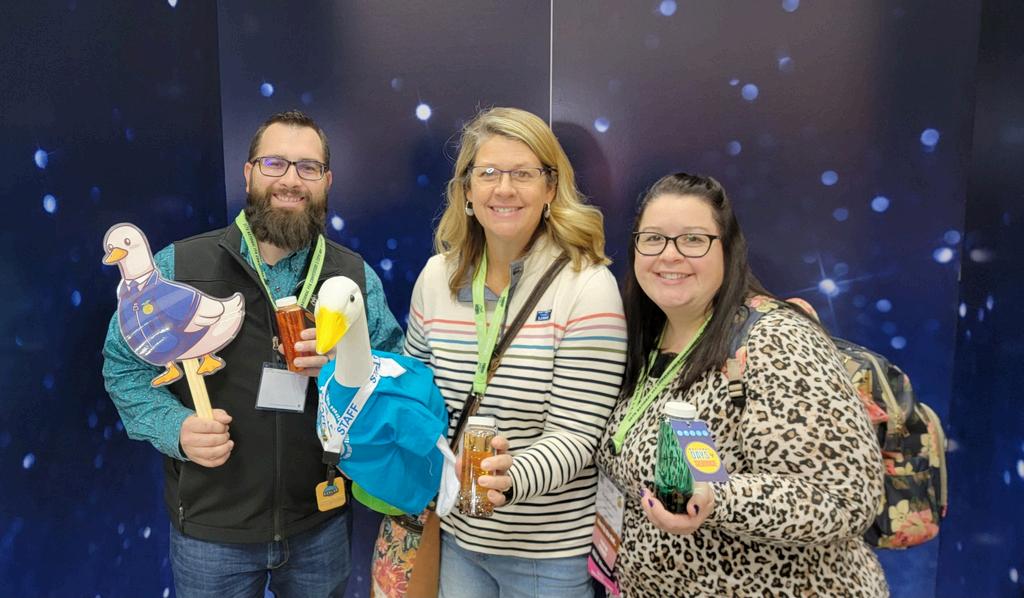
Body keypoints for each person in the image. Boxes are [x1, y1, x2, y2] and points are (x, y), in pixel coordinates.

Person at [102, 110, 404, 597]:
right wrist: (174, 428)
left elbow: (395, 377)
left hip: (320, 523)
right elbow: (123, 367)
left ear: (326, 182)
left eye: (308, 167)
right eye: (274, 163)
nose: (291, 180)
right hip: (211, 532)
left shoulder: (353, 277)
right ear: (248, 174)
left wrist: (343, 369)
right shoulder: (178, 266)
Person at [594, 172, 888, 596]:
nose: (670, 255)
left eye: (693, 240)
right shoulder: (645, 338)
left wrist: (718, 499)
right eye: (653, 239)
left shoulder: (776, 340)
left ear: (728, 249)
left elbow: (844, 497)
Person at [404, 107, 626, 597]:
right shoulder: (436, 277)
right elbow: (417, 393)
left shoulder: (587, 286)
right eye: (488, 173)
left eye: (523, 174)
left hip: (546, 555)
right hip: (458, 537)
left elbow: (578, 434)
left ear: (550, 189)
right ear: (466, 190)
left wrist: (510, 478)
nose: (504, 189)